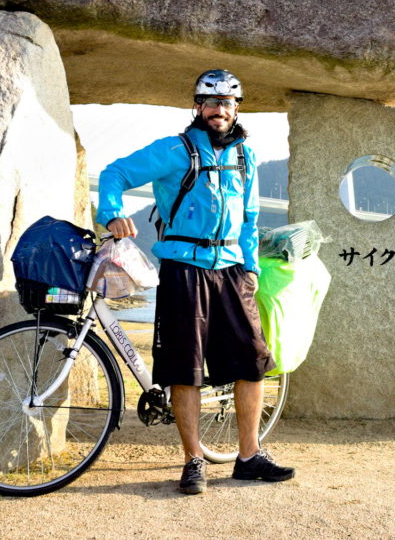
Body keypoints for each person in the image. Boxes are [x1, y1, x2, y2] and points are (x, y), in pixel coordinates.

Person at [96, 69, 295, 495]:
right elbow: (114, 173)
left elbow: (251, 218)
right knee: (186, 368)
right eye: (210, 102)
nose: (218, 110)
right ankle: (193, 459)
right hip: (184, 267)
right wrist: (112, 211)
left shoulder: (246, 156)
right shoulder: (175, 150)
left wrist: (252, 268)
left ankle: (248, 456)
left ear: (236, 108)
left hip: (232, 269)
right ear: (197, 107)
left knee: (252, 362)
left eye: (226, 103)